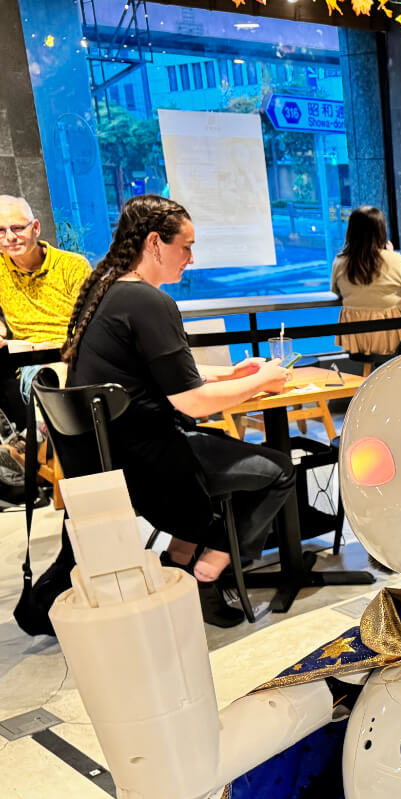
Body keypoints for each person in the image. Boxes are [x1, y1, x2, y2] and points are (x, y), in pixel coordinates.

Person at [63, 195, 295, 628]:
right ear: (155, 243)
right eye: (186, 247)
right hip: (151, 462)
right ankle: (207, 573)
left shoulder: (108, 291)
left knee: (228, 454)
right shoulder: (148, 302)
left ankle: (179, 564)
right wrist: (261, 381)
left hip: (110, 456)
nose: (191, 258)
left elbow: (156, 372)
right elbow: (191, 402)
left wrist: (230, 374)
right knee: (279, 470)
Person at [0, 195, 92, 423]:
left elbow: (92, 322)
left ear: (36, 228)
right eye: (1, 231)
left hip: (76, 353)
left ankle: (44, 440)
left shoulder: (72, 266)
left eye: (17, 228)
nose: (10, 237)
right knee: (51, 378)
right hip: (32, 360)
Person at [331, 206, 401, 357]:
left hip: (357, 337)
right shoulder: (395, 259)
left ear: (351, 231)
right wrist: (391, 254)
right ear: (381, 230)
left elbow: (336, 292)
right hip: (395, 336)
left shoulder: (340, 262)